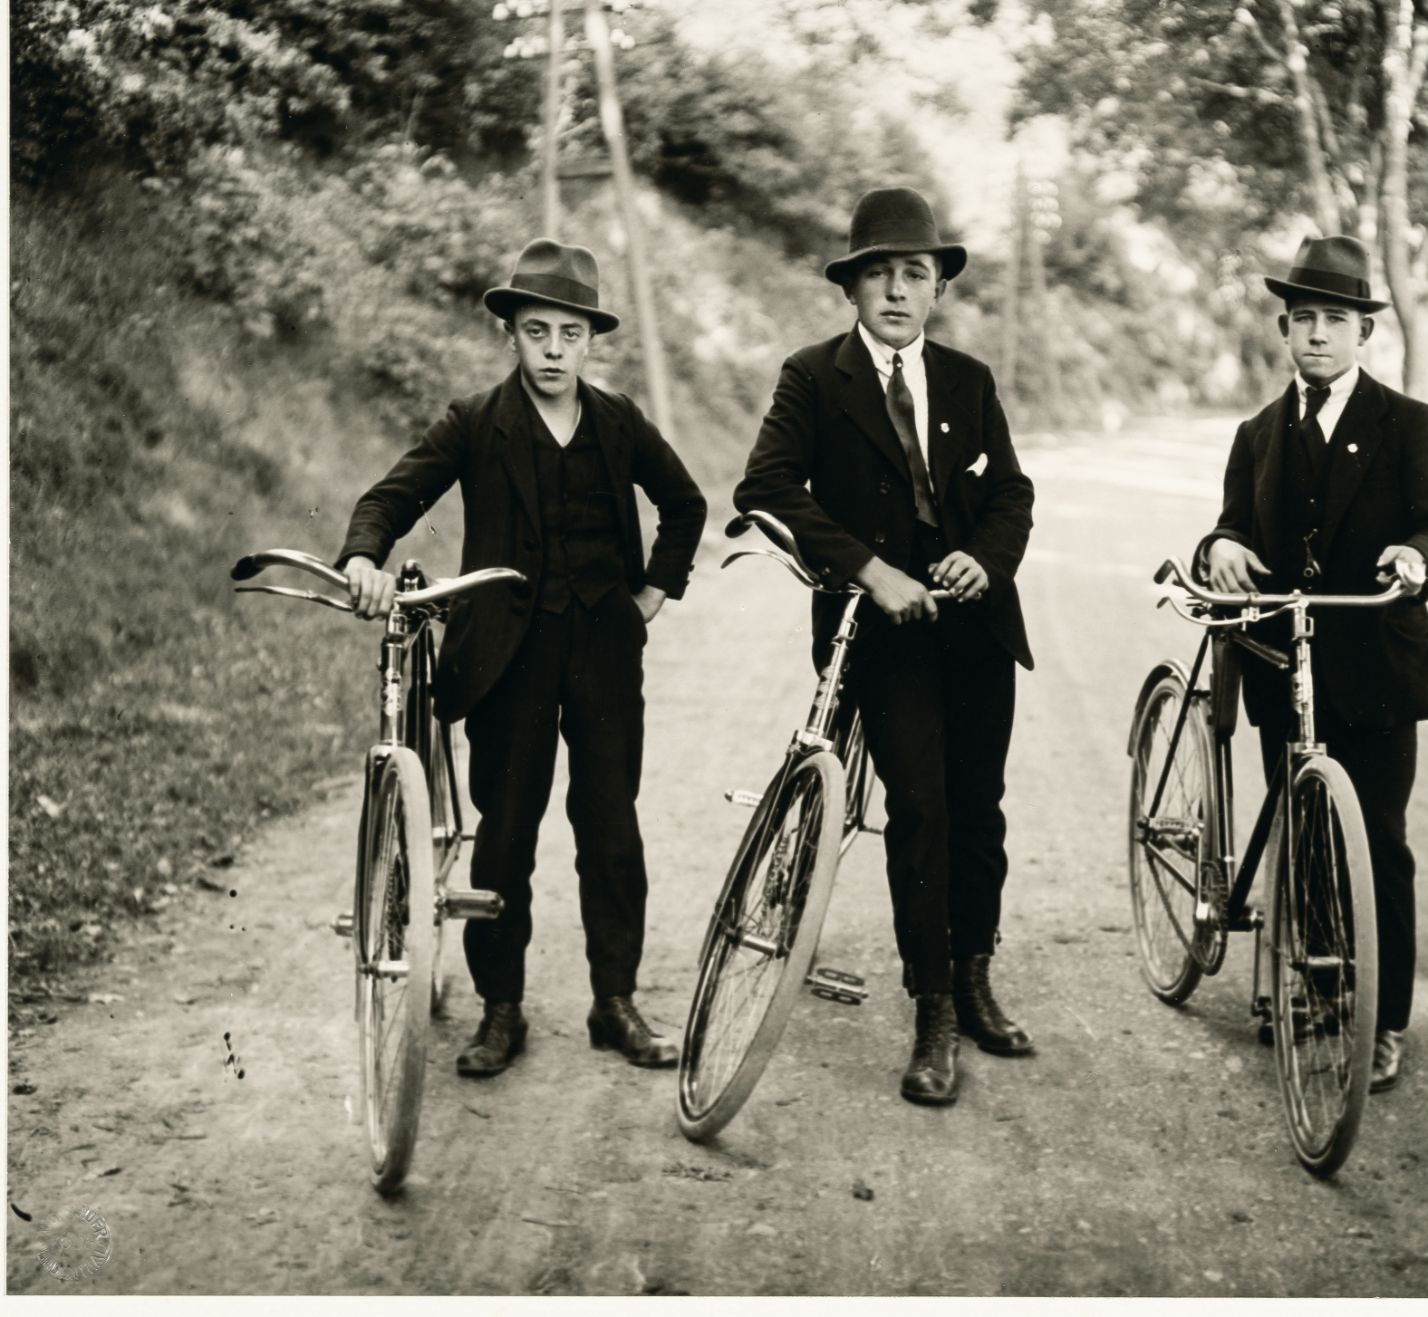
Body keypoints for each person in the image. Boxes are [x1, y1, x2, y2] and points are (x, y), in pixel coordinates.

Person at [335, 239, 707, 1078]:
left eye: (568, 334)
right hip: (509, 658)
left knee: (611, 827)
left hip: (605, 656)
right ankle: (501, 1010)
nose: (552, 349)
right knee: (507, 834)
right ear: (511, 333)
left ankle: (615, 1002)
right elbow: (393, 494)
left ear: (589, 341)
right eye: (535, 330)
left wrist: (650, 595)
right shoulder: (476, 421)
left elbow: (685, 503)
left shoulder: (618, 422)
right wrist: (364, 553)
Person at [734, 186, 1037, 1107]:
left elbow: (1011, 495)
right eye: (880, 275)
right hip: (879, 629)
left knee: (979, 808)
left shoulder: (970, 380)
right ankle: (933, 1006)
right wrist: (871, 569)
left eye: (916, 273)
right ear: (852, 289)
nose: (898, 292)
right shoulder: (812, 376)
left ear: (938, 287)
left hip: (974, 623)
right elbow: (768, 487)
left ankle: (977, 974)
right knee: (920, 805)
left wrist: (984, 562)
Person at [1194, 235, 1428, 1093]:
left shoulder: (1408, 424)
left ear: (1364, 335)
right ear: (1285, 329)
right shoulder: (1258, 433)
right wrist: (1224, 546)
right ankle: (1320, 986)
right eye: (1304, 319)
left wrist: (1419, 559)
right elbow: (1229, 524)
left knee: (1379, 842)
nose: (1318, 334)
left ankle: (1383, 1018)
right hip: (1286, 661)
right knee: (1305, 828)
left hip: (1379, 666)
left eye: (1336, 321)